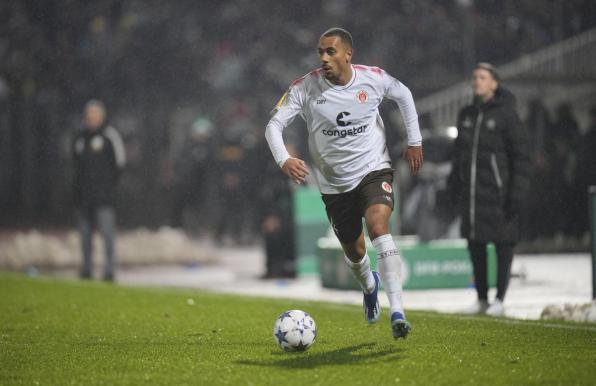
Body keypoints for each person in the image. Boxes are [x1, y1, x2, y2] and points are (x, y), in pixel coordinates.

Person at [265, 28, 423, 339]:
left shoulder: (373, 78)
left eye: (331, 51)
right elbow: (274, 125)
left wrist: (414, 141)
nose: (324, 58)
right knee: (354, 251)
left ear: (348, 54)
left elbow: (403, 94)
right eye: (321, 52)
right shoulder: (305, 88)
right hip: (335, 185)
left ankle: (398, 312)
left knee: (379, 226)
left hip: (373, 169)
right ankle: (369, 285)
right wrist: (284, 159)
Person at [447, 63, 530, 317]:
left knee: (504, 245)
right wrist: (454, 184)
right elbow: (459, 155)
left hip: (499, 194)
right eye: (474, 77)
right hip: (472, 195)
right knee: (476, 245)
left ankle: (500, 299)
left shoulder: (507, 115)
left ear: (494, 83)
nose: (477, 82)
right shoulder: (466, 114)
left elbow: (521, 157)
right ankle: (481, 298)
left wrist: (516, 191)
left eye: (482, 77)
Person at [72, 100, 126, 281]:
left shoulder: (110, 136)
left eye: (95, 114)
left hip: (104, 197)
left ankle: (109, 270)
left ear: (102, 116)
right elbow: (76, 165)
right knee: (85, 236)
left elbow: (119, 164)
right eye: (89, 114)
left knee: (107, 234)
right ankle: (86, 268)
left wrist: (108, 187)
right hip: (84, 196)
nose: (92, 118)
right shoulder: (80, 137)